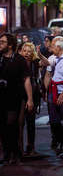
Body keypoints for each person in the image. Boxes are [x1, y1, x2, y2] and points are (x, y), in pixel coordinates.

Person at [0, 34, 34, 164]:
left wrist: (30, 99)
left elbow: (26, 80)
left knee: (12, 124)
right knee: (2, 126)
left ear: (10, 45)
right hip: (1, 96)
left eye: (3, 42)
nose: (0, 44)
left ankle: (15, 152)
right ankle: (7, 152)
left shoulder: (19, 60)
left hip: (15, 96)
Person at [18, 42, 50, 156]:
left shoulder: (35, 62)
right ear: (21, 51)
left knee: (30, 122)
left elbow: (47, 63)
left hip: (33, 94)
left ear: (33, 53)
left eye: (29, 51)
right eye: (24, 50)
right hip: (20, 94)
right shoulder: (17, 62)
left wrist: (40, 54)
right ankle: (19, 148)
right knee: (19, 122)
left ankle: (30, 147)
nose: (26, 53)